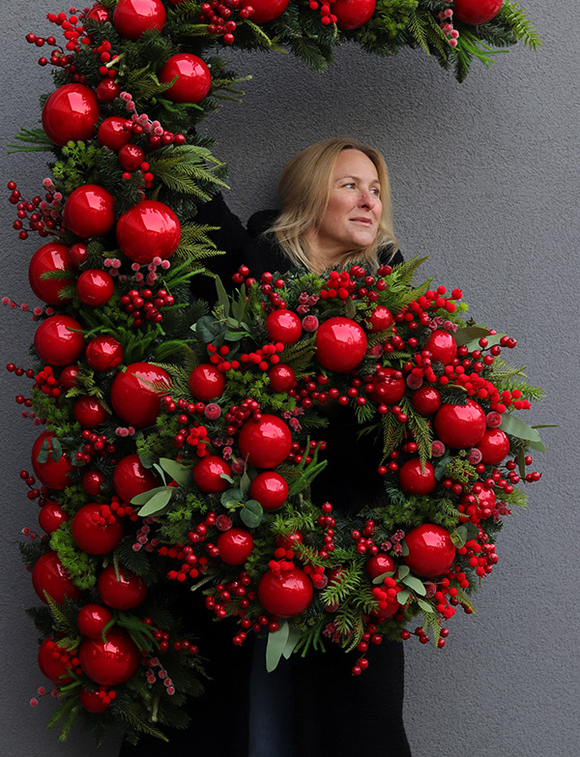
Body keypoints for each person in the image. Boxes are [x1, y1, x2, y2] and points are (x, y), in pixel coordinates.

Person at [119, 138, 411, 756]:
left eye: (376, 189)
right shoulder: (250, 263)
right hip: (228, 532)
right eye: (350, 185)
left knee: (355, 714)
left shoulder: (393, 306)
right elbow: (184, 174)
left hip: (345, 549)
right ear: (310, 196)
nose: (370, 200)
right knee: (210, 708)